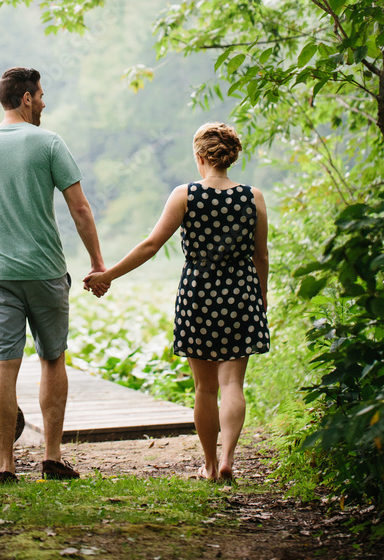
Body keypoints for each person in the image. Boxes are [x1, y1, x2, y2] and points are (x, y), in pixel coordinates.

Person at [86, 122, 269, 482]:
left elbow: (150, 245)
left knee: (205, 388)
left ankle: (210, 466)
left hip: (197, 295)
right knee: (232, 384)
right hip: (241, 293)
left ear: (200, 156)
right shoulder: (254, 197)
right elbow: (260, 255)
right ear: (230, 157)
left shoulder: (185, 195)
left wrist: (108, 275)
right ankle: (228, 458)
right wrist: (261, 296)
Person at [0, 66, 106, 483]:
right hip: (44, 271)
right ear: (26, 98)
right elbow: (80, 208)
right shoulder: (49, 142)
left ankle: (5, 466)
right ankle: (52, 459)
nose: (43, 103)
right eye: (40, 95)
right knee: (52, 358)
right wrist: (97, 263)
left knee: (3, 366)